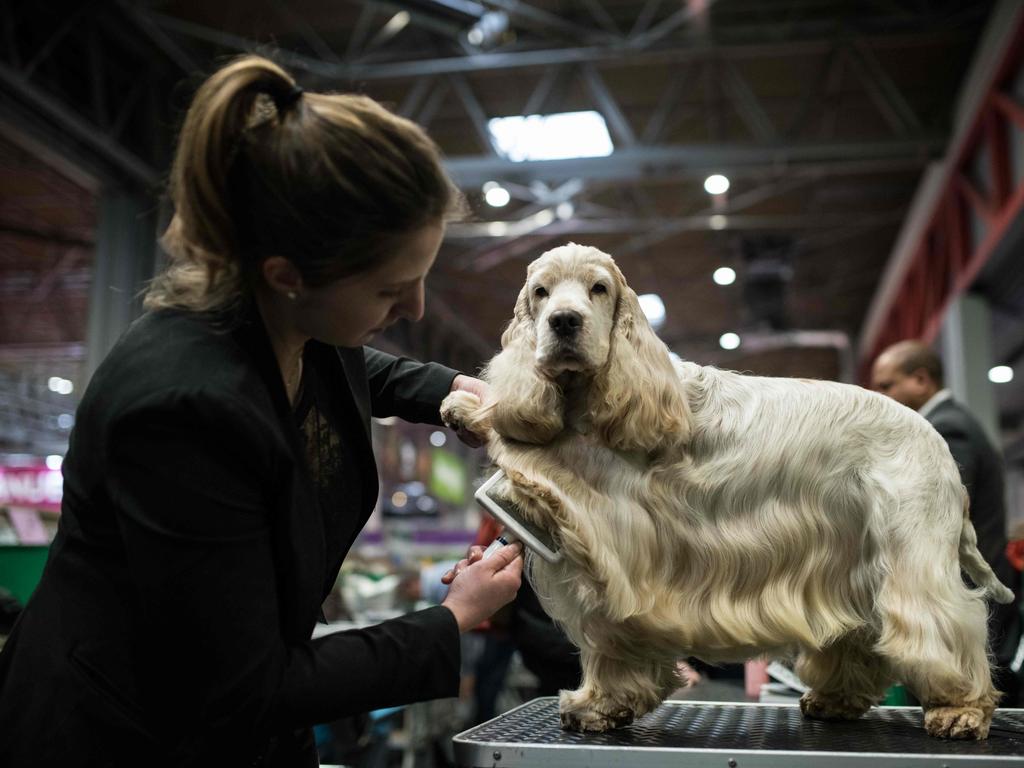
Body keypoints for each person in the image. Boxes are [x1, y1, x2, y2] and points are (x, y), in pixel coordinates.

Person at [0, 55, 522, 767]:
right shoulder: (182, 413)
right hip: (127, 736)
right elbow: (242, 688)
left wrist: (450, 392)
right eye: (388, 291)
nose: (416, 310)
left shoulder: (290, 321)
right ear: (288, 275)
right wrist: (452, 619)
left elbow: (358, 367)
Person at [871, 339, 1021, 706]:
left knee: (964, 718)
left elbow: (944, 510)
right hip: (966, 599)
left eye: (887, 385)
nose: (880, 396)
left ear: (921, 380)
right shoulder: (947, 423)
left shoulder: (946, 429)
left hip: (965, 599)